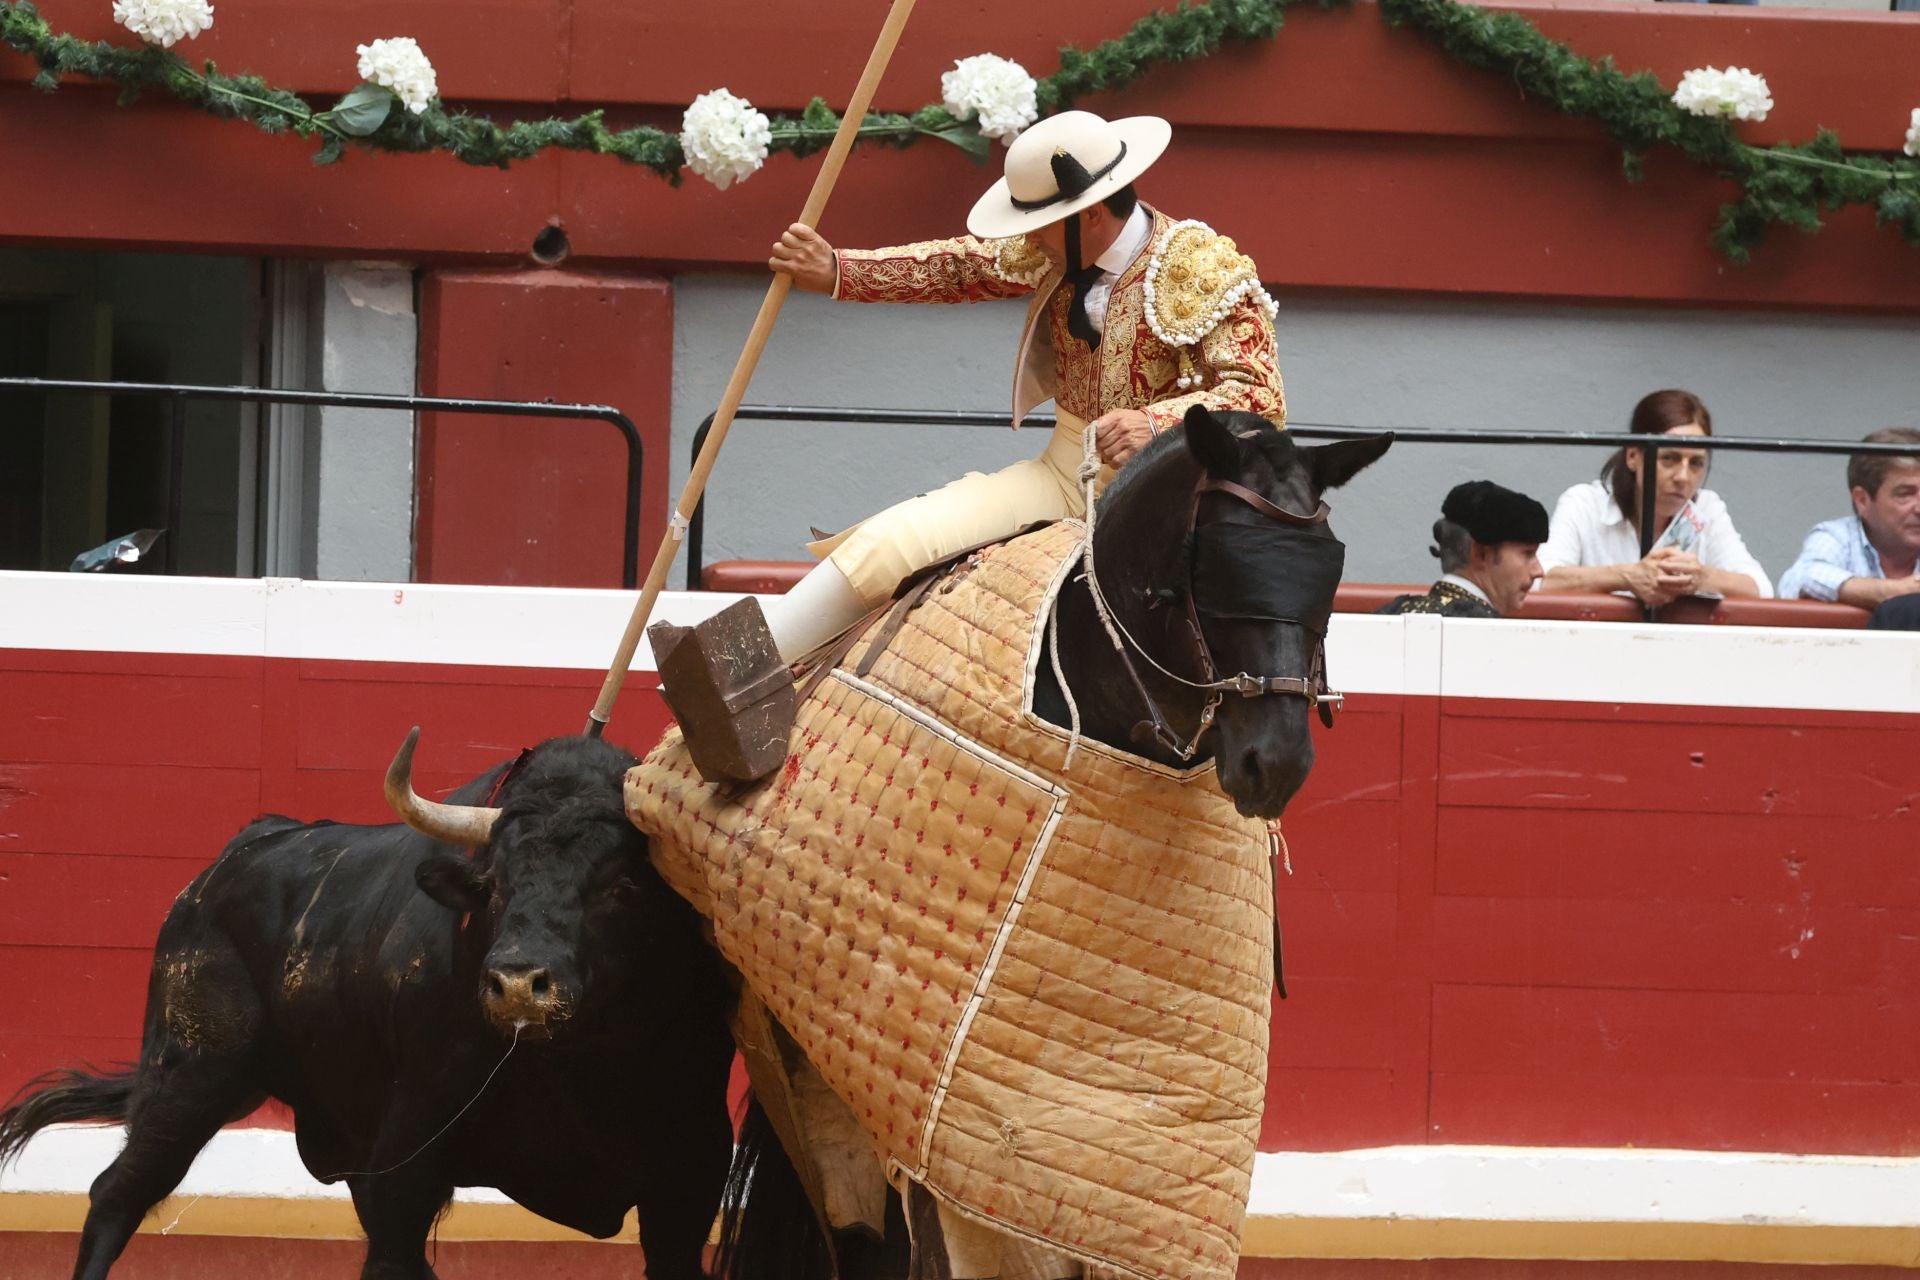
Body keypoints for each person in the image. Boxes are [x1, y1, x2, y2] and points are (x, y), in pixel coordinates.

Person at [655, 109, 1286, 783]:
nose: (1029, 242)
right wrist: (837, 270)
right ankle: (737, 673)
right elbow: (960, 268)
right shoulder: (1057, 240)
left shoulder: (1202, 269)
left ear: (1091, 214)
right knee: (896, 538)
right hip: (1066, 472)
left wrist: (1158, 423)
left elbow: (1261, 398)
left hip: (1175, 502)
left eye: (1039, 225)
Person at [1538, 389, 1771, 606]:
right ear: (1632, 456)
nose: (1683, 476)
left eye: (1696, 463)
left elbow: (1761, 588)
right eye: (1669, 458)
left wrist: (1703, 578)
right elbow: (1538, 580)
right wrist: (1624, 577)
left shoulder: (1707, 507)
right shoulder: (1584, 503)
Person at [1777, 427, 1920, 629]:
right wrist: (1892, 592)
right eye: (1905, 494)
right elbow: (1800, 577)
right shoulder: (1838, 537)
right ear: (1862, 500)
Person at [1377, 480, 1548, 618]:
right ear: (1481, 554)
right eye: (1528, 554)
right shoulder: (1489, 633)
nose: (1538, 571)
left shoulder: (1391, 614)